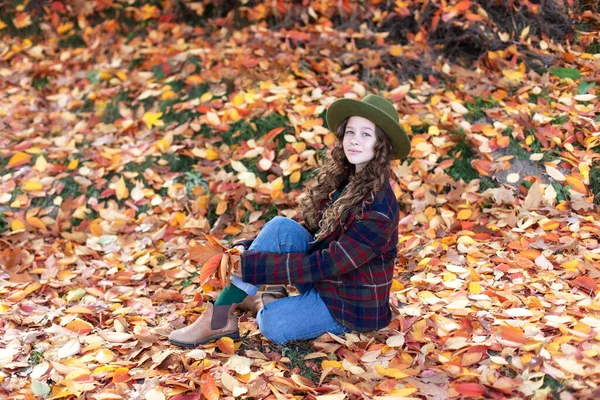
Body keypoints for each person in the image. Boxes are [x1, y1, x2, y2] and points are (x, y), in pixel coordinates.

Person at [169, 94, 411, 347]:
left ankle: (261, 299)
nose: (354, 141)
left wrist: (254, 267)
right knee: (280, 228)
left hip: (351, 306)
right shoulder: (346, 181)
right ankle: (219, 319)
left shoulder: (378, 209)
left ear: (380, 146)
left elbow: (327, 264)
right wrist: (246, 248)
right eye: (350, 132)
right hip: (328, 284)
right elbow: (304, 231)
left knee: (273, 324)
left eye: (365, 134)